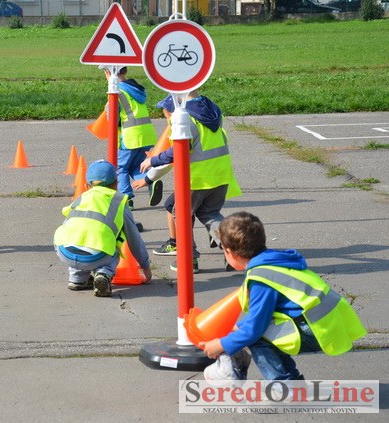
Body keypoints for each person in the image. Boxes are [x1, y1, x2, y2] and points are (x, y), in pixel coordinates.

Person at [199, 211, 367, 382]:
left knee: (258, 337)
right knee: (258, 331)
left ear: (229, 251)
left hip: (317, 329)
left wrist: (221, 344)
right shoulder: (275, 262)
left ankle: (282, 386)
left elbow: (253, 330)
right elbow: (270, 312)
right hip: (328, 323)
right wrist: (238, 328)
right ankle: (293, 384)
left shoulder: (261, 278)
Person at [137, 91, 241, 273]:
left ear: (175, 105)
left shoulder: (184, 118)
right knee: (208, 213)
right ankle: (232, 251)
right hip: (220, 174)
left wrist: (152, 161)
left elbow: (179, 150)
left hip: (196, 179)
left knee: (182, 214)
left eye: (166, 113)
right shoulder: (212, 110)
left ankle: (189, 259)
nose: (166, 117)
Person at [54, 160, 152, 297]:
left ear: (87, 186)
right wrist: (145, 266)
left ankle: (77, 278)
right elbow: (133, 238)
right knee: (111, 246)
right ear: (116, 184)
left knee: (77, 239)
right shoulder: (119, 201)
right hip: (97, 256)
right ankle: (104, 273)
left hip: (65, 251)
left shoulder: (80, 198)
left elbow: (68, 222)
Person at [101, 66, 161, 209]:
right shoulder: (135, 89)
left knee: (120, 167)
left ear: (108, 72)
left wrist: (108, 109)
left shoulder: (117, 91)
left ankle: (126, 199)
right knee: (135, 165)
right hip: (145, 134)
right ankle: (150, 179)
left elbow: (113, 120)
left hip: (130, 137)